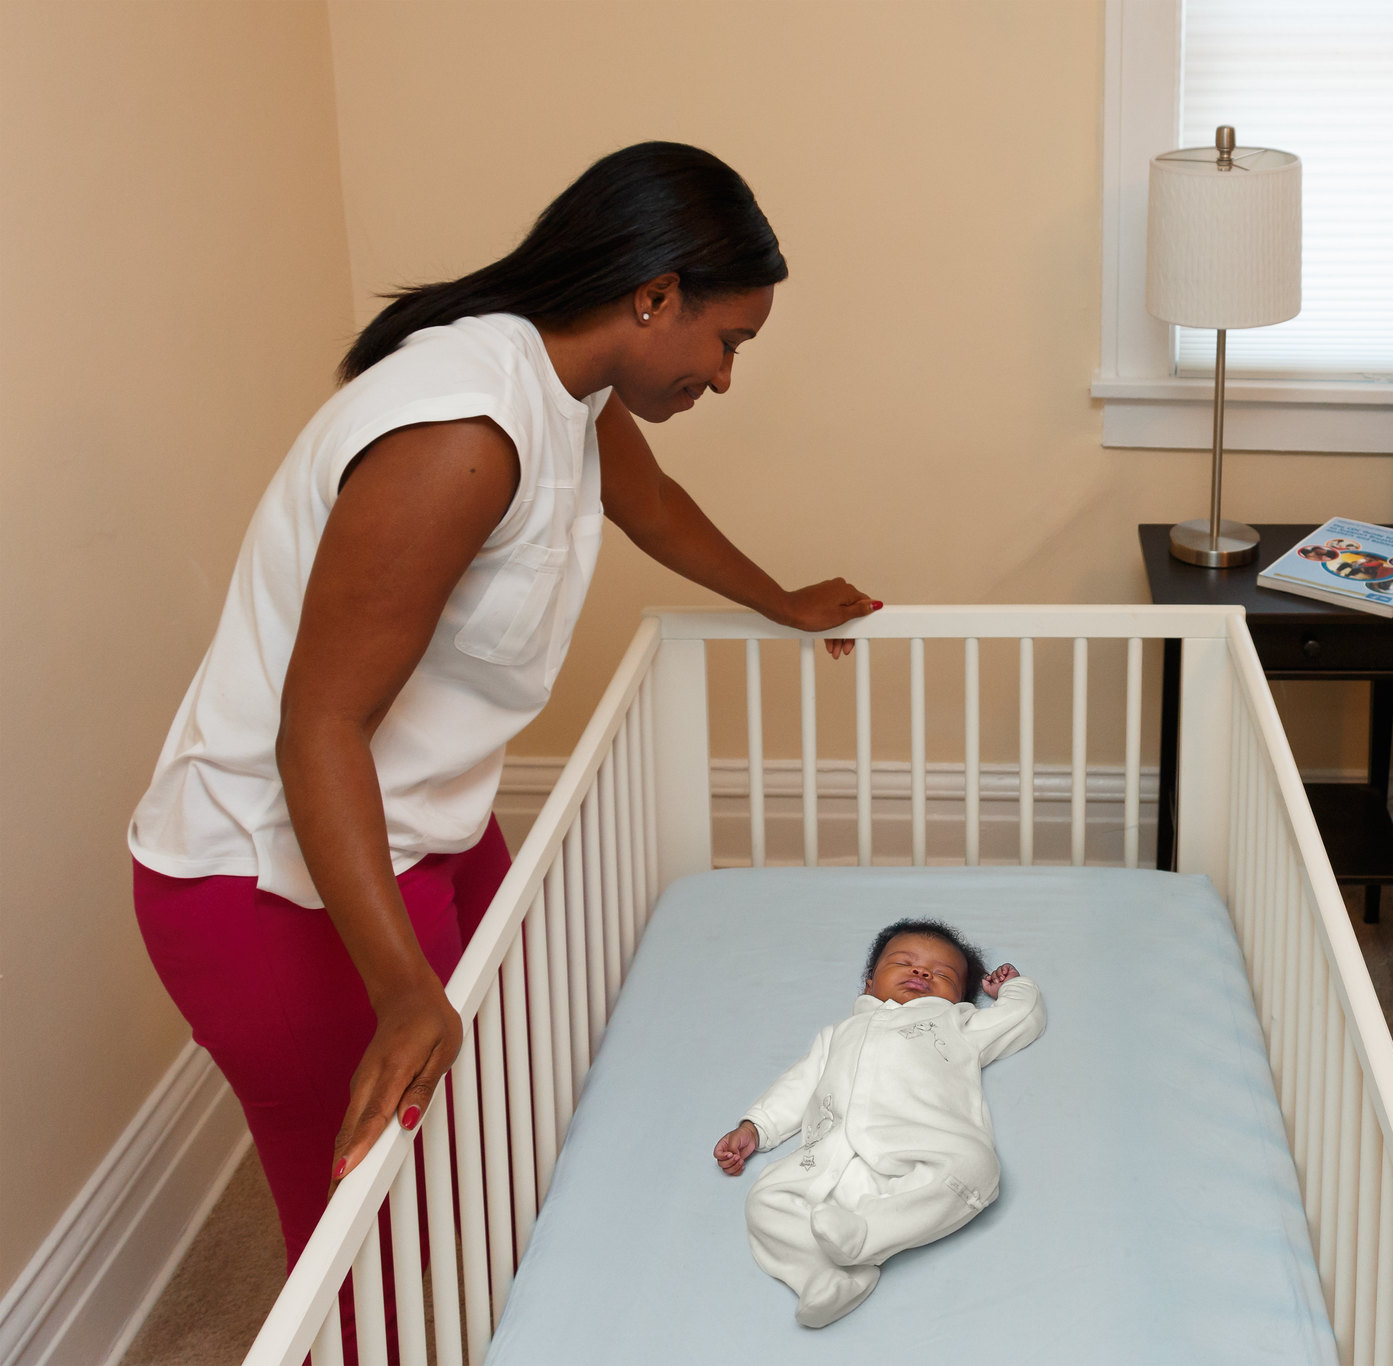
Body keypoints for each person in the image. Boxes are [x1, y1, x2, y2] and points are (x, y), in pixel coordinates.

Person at [128, 142, 878, 1292]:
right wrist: (398, 989)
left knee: (505, 1102)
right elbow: (316, 725)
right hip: (269, 875)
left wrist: (776, 600)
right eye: (727, 342)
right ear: (653, 295)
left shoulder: (562, 389)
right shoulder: (461, 433)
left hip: (412, 816)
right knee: (372, 1247)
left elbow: (653, 507)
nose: (724, 377)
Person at [713, 919, 1046, 1327]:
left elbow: (1022, 1018)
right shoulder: (838, 1034)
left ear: (960, 998)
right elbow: (798, 1086)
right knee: (765, 1201)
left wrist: (1013, 987)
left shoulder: (959, 1026)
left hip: (922, 1147)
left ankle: (869, 1235)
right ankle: (826, 1278)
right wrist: (755, 1127)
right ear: (869, 984)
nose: (922, 972)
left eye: (942, 974)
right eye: (905, 963)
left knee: (976, 1167)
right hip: (831, 1160)